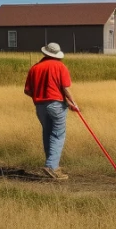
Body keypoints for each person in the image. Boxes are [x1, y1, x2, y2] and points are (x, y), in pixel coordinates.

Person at [23, 42, 79, 180]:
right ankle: (51, 167)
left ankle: (52, 165)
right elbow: (65, 88)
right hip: (56, 105)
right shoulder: (60, 66)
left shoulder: (35, 68)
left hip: (40, 106)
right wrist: (73, 102)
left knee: (47, 134)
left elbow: (27, 91)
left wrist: (38, 97)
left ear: (45, 53)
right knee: (58, 135)